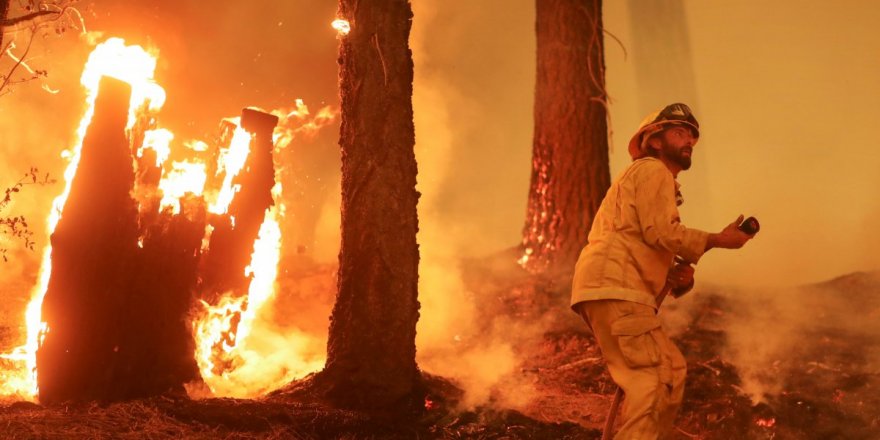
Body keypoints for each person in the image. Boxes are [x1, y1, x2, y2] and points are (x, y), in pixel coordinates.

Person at [570, 103, 754, 439]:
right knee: (654, 377)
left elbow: (643, 237)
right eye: (680, 133)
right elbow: (661, 232)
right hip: (618, 285)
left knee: (669, 371)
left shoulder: (646, 180)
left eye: (692, 137)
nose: (689, 141)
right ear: (654, 140)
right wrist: (717, 240)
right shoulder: (652, 170)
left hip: (615, 286)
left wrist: (677, 278)